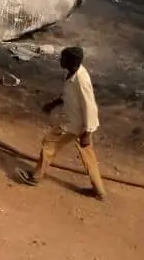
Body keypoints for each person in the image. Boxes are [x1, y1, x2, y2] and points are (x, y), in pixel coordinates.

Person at [17, 46, 106, 200]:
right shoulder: (73, 73)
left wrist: (88, 132)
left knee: (49, 144)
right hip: (79, 124)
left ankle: (35, 177)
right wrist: (54, 103)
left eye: (63, 58)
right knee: (88, 157)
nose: (60, 60)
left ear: (71, 62)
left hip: (76, 125)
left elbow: (90, 106)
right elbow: (68, 95)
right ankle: (99, 192)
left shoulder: (81, 80)